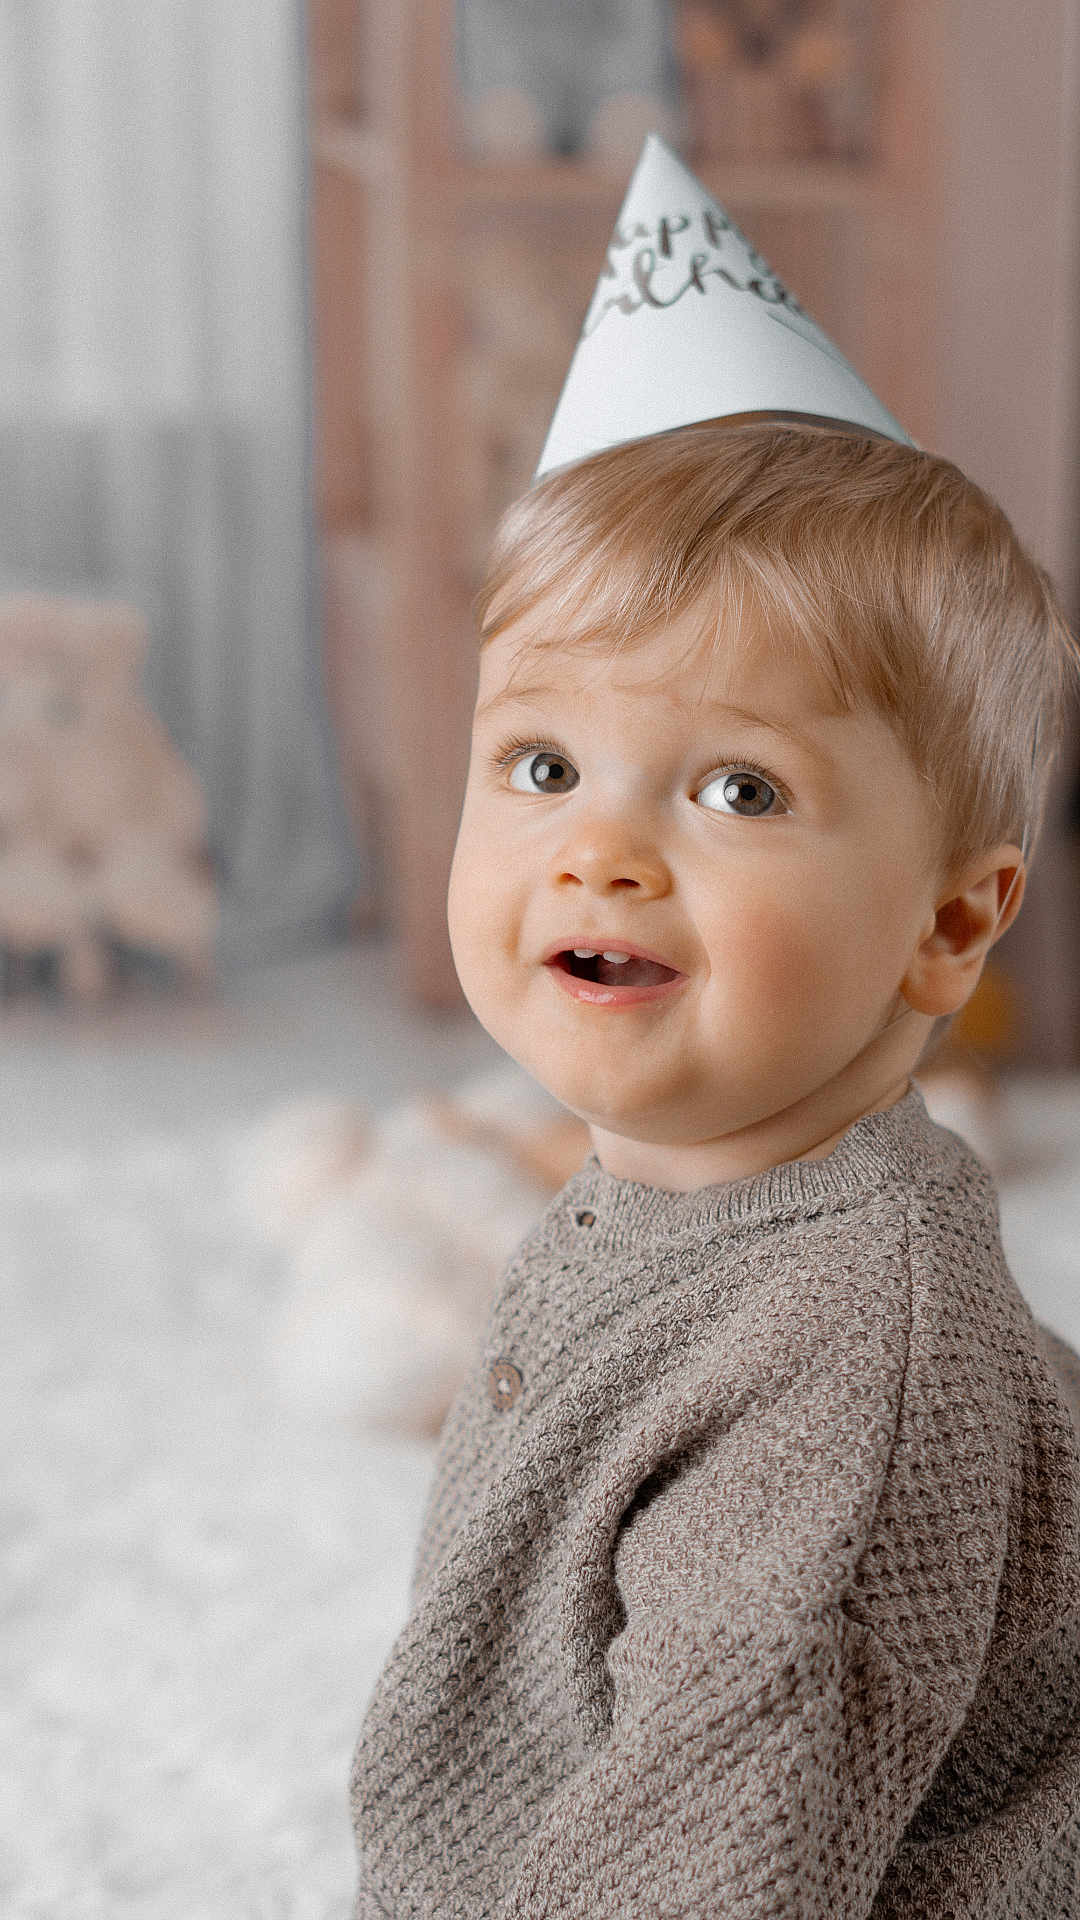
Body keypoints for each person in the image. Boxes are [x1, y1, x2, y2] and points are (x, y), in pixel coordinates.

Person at [350, 143, 1080, 1919]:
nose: (597, 848)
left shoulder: (845, 1352)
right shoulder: (668, 1198)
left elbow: (725, 1848)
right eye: (541, 763)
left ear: (949, 921)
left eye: (740, 787)